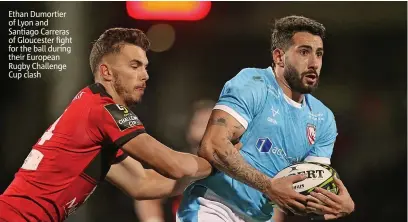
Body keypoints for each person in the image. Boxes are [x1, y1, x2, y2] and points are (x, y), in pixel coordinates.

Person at [0, 28, 213, 222]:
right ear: (106, 72)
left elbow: (143, 183)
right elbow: (173, 165)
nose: (145, 75)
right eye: (134, 66)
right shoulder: (104, 110)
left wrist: (208, 175)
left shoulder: (89, 109)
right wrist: (219, 159)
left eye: (145, 67)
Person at [177, 15, 355, 222]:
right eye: (304, 52)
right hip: (214, 206)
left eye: (319, 54)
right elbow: (212, 146)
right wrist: (268, 186)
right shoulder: (252, 84)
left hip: (262, 217)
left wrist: (336, 203)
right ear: (279, 57)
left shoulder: (323, 118)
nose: (314, 62)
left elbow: (311, 185)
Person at [134, 100, 216, 222]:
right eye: (199, 123)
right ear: (189, 130)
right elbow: (148, 195)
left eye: (208, 123)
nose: (203, 128)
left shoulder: (236, 168)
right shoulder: (179, 165)